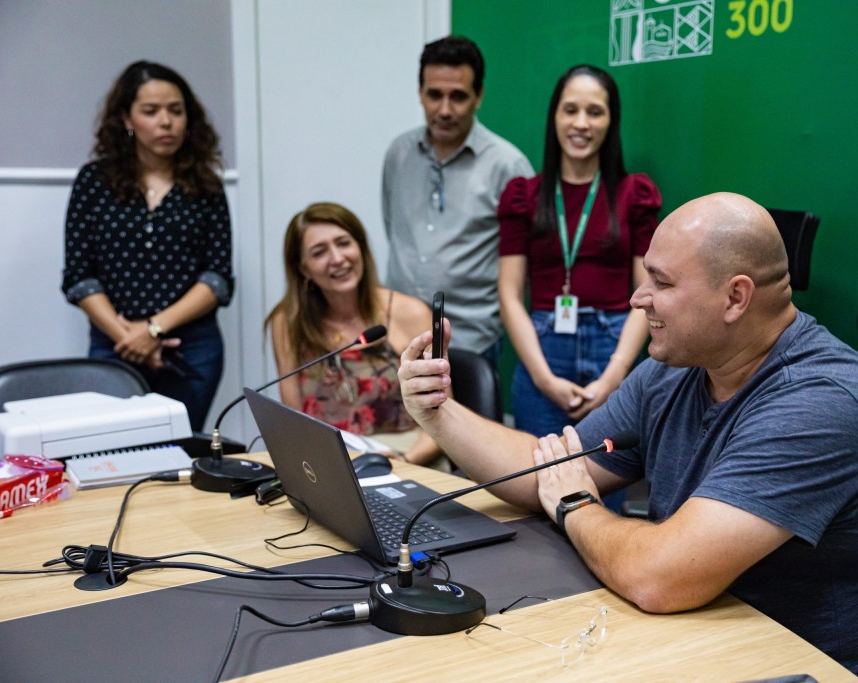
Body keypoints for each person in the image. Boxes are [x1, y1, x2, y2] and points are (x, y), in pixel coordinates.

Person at [397, 192, 858, 682]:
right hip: (712, 636)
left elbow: (658, 577)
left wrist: (577, 504)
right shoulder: (677, 367)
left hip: (820, 668)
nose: (638, 298)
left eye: (662, 283)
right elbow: (548, 470)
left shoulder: (819, 402)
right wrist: (439, 413)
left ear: (735, 297)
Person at [62, 60, 233, 432]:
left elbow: (217, 279)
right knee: (110, 450)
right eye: (151, 111)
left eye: (176, 110)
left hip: (192, 349)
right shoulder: (94, 181)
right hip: (114, 344)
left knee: (182, 450)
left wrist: (152, 330)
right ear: (127, 118)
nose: (166, 122)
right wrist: (129, 338)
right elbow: (79, 276)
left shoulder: (206, 185)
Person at [498, 64, 660, 437]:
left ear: (611, 121)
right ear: (554, 116)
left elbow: (648, 292)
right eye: (570, 110)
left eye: (595, 112)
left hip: (615, 347)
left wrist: (615, 375)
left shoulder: (634, 194)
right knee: (538, 469)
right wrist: (543, 378)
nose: (581, 123)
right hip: (543, 351)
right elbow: (508, 293)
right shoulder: (524, 196)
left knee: (609, 473)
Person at [382, 35, 533, 360]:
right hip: (398, 337)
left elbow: (521, 267)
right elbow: (392, 226)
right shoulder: (399, 153)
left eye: (458, 97)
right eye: (434, 95)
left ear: (479, 96)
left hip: (470, 342)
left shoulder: (508, 166)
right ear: (420, 92)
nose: (445, 110)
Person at [265, 202, 443, 466]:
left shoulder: (410, 313)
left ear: (360, 247)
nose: (337, 258)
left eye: (344, 243)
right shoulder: (287, 321)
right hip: (330, 462)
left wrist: (405, 460)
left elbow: (444, 416)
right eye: (319, 252)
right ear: (303, 269)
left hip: (410, 456)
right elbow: (294, 422)